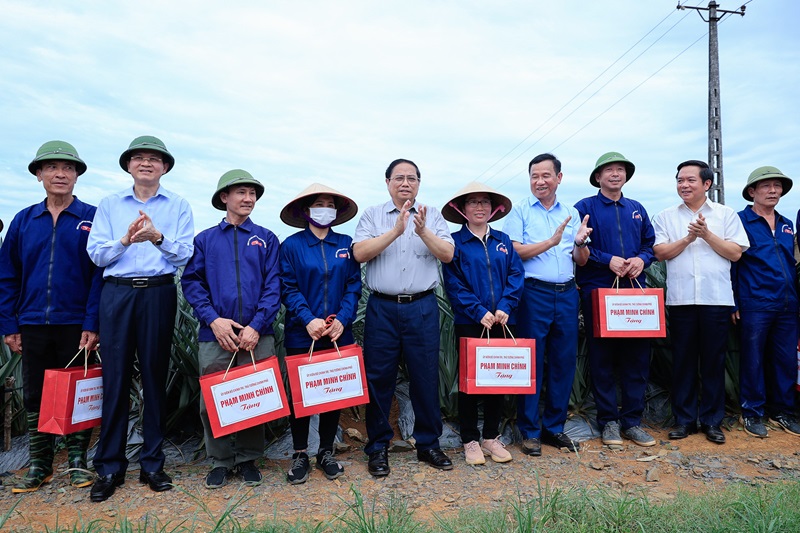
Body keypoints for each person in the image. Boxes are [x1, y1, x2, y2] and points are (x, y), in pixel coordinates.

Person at [86, 136, 194, 502]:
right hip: (116, 293)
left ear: (165, 167)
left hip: (158, 293)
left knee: (154, 375)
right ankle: (110, 466)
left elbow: (184, 255)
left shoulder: (178, 205)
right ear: (129, 165)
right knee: (114, 378)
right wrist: (127, 241)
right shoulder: (110, 204)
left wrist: (157, 236)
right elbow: (97, 255)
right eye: (138, 158)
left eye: (154, 159)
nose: (146, 163)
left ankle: (152, 463)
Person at [0, 141, 102, 492]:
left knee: (77, 390)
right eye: (52, 167)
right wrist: (9, 324)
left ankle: (77, 462)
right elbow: (7, 274)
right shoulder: (24, 220)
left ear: (77, 176)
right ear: (39, 174)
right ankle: (40, 464)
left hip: (76, 323)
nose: (61, 173)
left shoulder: (92, 218)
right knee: (35, 394)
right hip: (31, 322)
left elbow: (99, 276)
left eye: (68, 168)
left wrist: (92, 322)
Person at [353, 158, 455, 476]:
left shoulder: (432, 215)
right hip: (382, 307)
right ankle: (378, 448)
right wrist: (396, 231)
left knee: (425, 377)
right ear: (388, 183)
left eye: (412, 178)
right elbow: (359, 253)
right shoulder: (371, 215)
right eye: (399, 178)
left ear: (419, 183)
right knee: (378, 379)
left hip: (422, 306)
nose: (405, 183)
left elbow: (448, 254)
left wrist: (422, 231)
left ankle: (428, 445)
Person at [181, 169, 281, 488]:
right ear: (225, 198)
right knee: (213, 399)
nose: (248, 198)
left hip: (257, 334)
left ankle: (249, 458)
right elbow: (192, 283)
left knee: (254, 395)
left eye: (252, 193)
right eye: (241, 192)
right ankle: (220, 460)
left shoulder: (266, 238)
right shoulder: (205, 240)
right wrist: (214, 319)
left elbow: (273, 286)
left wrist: (256, 325)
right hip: (216, 333)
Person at [653, 160, 748, 444]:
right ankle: (683, 420)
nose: (684, 185)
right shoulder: (666, 216)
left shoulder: (725, 214)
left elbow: (735, 253)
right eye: (680, 180)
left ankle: (712, 421)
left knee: (713, 362)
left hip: (716, 300)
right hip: (681, 300)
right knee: (682, 361)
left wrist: (706, 235)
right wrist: (687, 238)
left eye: (691, 180)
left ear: (707, 184)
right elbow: (660, 252)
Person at [502, 153, 591, 456]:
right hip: (533, 293)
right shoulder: (520, 212)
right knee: (531, 362)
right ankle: (529, 431)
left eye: (546, 176)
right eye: (534, 176)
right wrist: (551, 243)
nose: (540, 181)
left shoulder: (572, 213)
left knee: (564, 361)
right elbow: (515, 253)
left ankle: (554, 428)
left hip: (567, 292)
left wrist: (579, 244)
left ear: (559, 178)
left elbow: (580, 259)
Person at [279, 183, 361, 484]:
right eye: (319, 204)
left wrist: (342, 318)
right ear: (305, 210)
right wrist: (308, 319)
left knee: (333, 392)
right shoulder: (291, 245)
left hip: (339, 332)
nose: (324, 208)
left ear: (336, 212)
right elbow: (287, 287)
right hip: (303, 333)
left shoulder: (345, 243)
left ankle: (326, 451)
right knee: (300, 394)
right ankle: (300, 452)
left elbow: (354, 285)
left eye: (330, 204)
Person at [575, 152, 657, 447]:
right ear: (598, 177)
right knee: (603, 360)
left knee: (636, 359)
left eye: (620, 169)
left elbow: (651, 245)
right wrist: (607, 259)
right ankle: (608, 422)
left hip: (636, 294)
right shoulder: (584, 207)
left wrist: (641, 260)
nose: (614, 174)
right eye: (608, 170)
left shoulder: (636, 208)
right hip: (599, 292)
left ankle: (633, 422)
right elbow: (577, 247)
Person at [441, 182, 524, 465]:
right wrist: (477, 311)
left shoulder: (503, 241)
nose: (479, 207)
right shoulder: (455, 243)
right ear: (462, 210)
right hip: (471, 322)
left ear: (493, 208)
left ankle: (491, 436)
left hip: (501, 321)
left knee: (496, 380)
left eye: (485, 203)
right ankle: (470, 440)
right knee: (469, 383)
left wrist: (505, 306)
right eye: (473, 203)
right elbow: (454, 283)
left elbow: (516, 275)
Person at [732, 166, 800, 438]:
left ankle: (782, 410)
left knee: (785, 360)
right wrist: (735, 302)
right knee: (753, 359)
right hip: (755, 301)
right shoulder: (740, 221)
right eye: (766, 186)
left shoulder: (787, 223)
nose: (773, 191)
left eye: (777, 186)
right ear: (752, 192)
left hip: (787, 303)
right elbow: (733, 264)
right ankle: (752, 412)